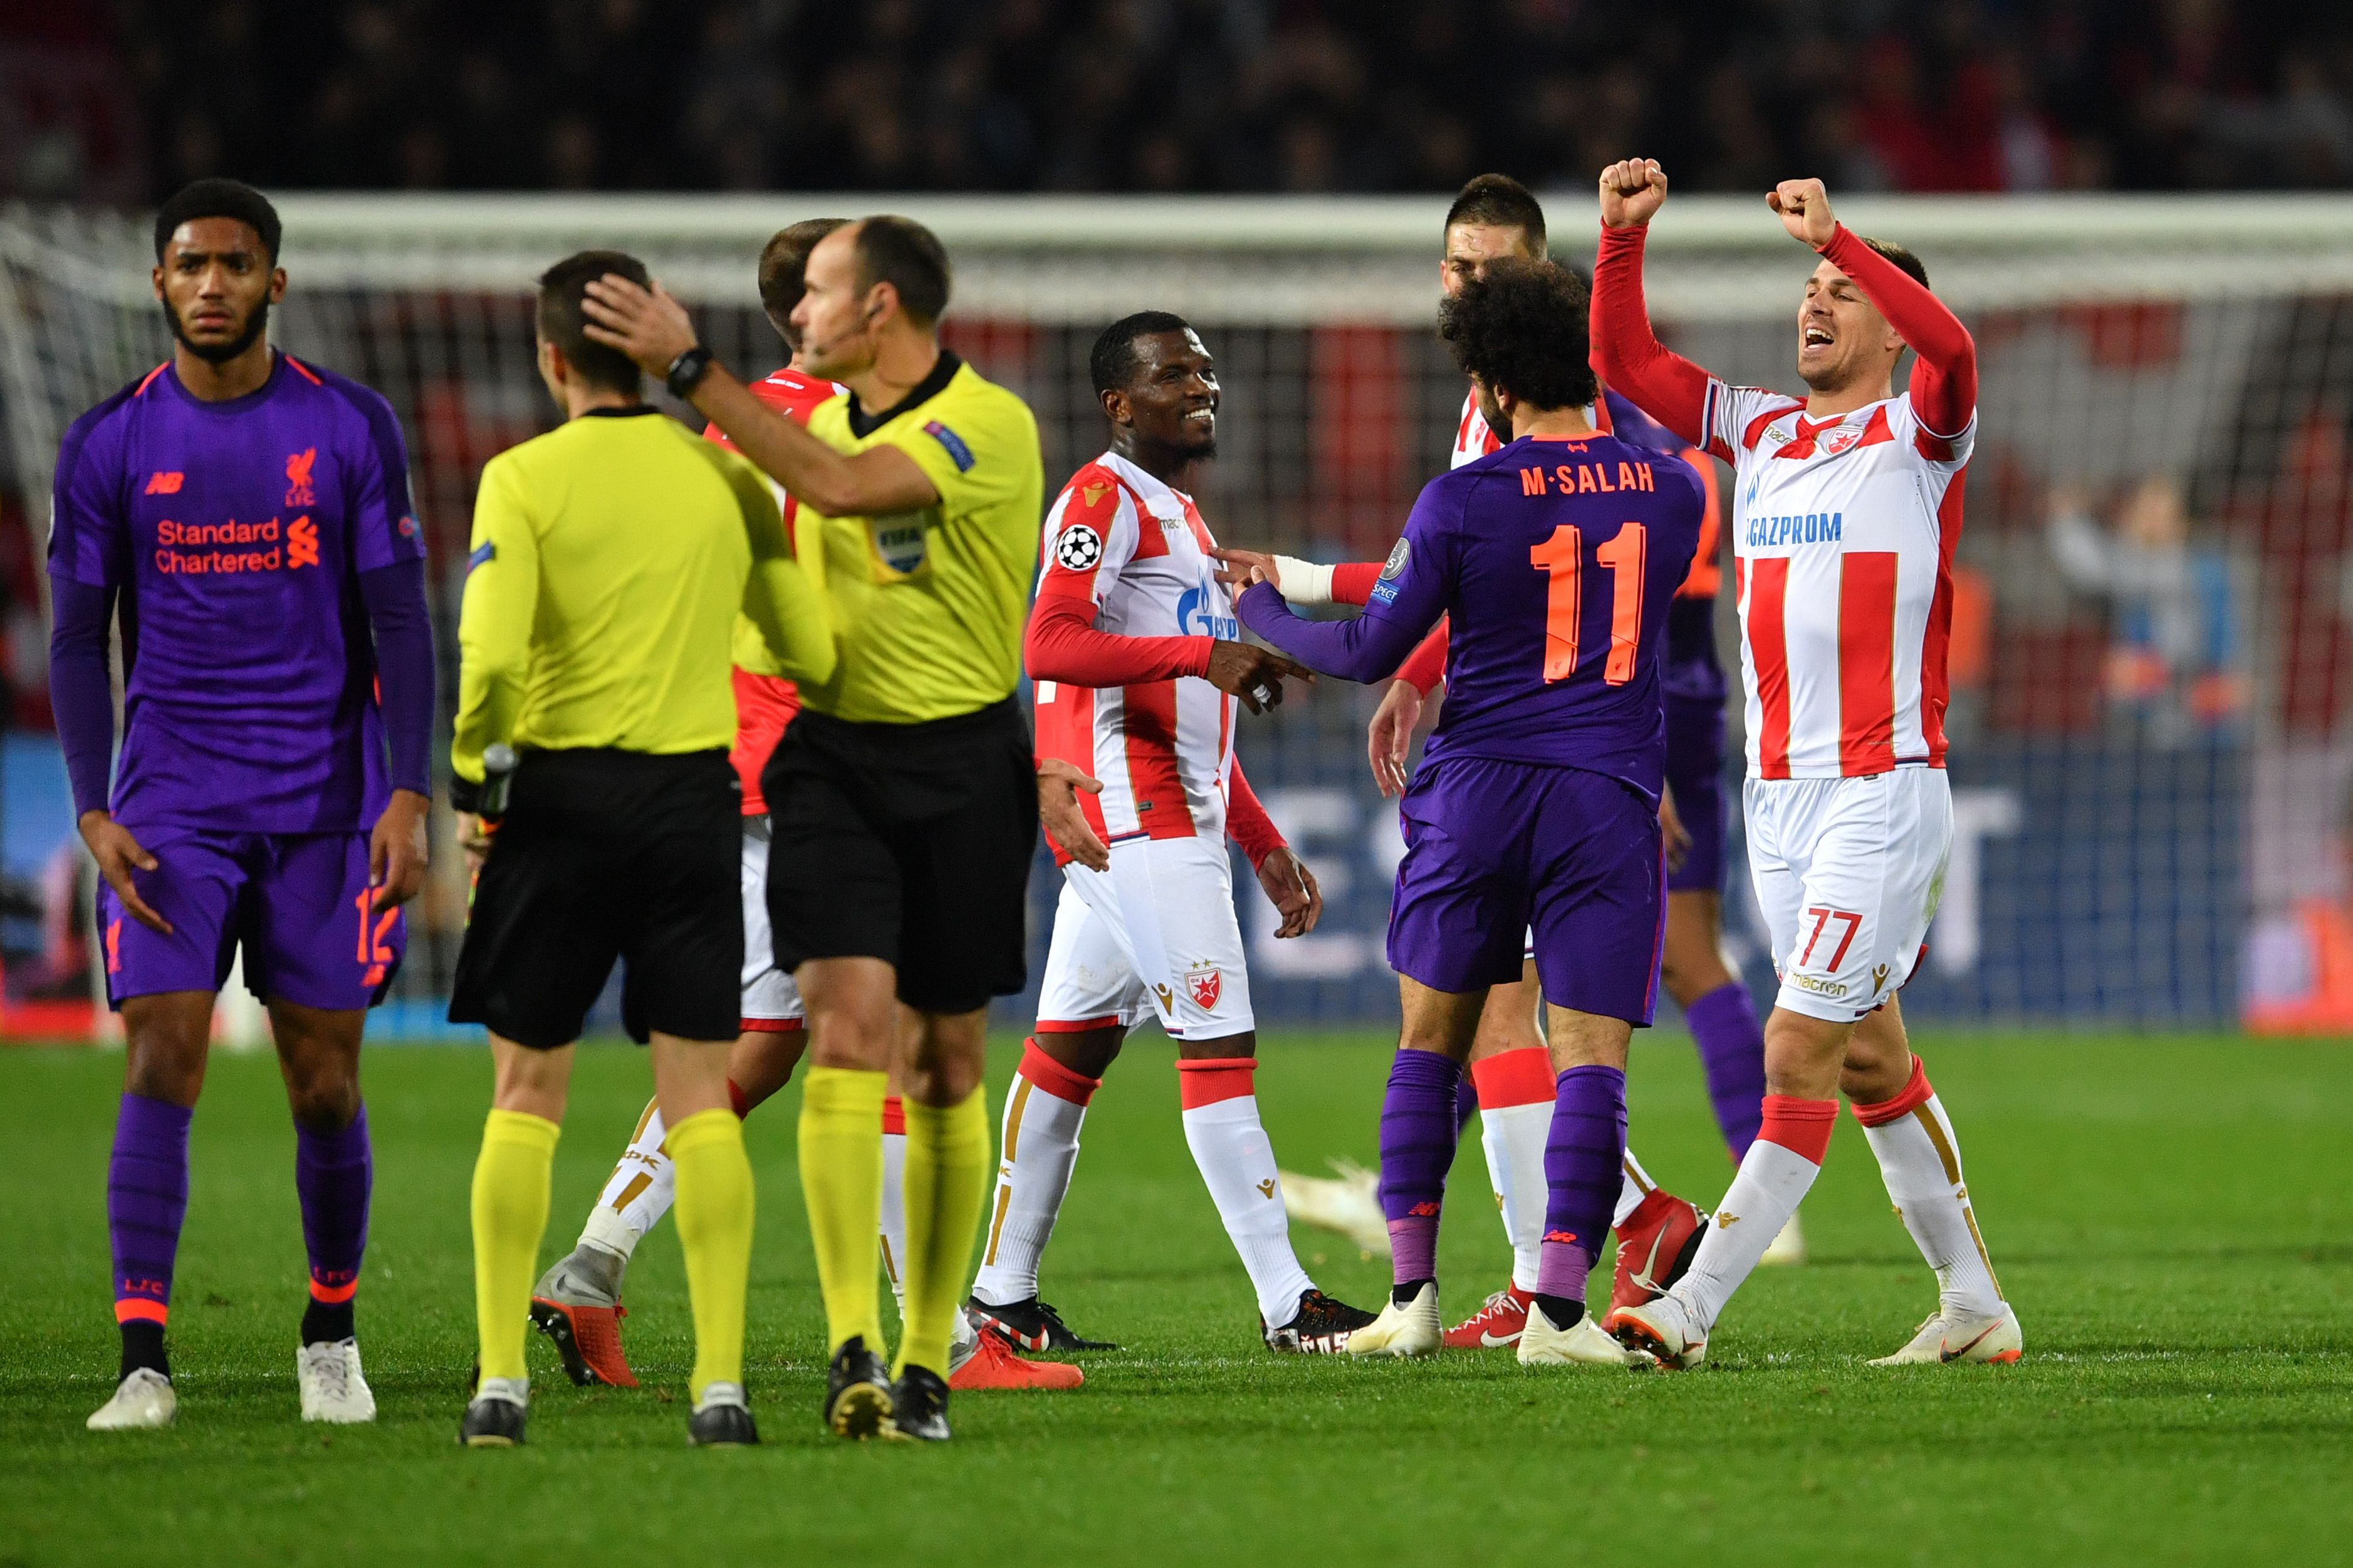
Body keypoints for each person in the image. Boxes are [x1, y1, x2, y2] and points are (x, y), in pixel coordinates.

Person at [525, 219, 1073, 1396]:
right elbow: (831, 504)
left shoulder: (744, 425)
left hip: (745, 749)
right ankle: (928, 1342)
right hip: (806, 762)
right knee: (864, 1051)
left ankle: (591, 1266)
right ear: (822, 307)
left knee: (772, 1041)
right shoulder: (786, 420)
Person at [1244, 173, 1763, 1353]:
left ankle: (1422, 1303)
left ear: (1490, 362)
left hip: (1482, 783)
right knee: (1583, 1049)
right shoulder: (1672, 484)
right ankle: (1563, 1299)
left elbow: (1385, 625)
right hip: (1603, 787)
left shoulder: (1464, 490)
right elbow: (1638, 584)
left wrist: (1270, 608)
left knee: (1446, 1032)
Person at [1591, 159, 2019, 1368]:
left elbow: (1960, 349)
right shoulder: (1763, 431)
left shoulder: (1920, 436)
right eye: (1811, 288)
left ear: (1891, 326)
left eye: (1843, 291)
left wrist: (1842, 235)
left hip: (1883, 792)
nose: (1815, 304)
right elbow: (1629, 364)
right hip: (1777, 797)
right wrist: (1622, 241)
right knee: (1870, 1050)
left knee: (1794, 1049)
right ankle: (1976, 1305)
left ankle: (1688, 1309)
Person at [53, 179, 434, 1431]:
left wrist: (410, 789)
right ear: (159, 284)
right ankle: (143, 1359)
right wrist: (93, 806)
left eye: (233, 263)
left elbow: (400, 625)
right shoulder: (110, 442)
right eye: (188, 264)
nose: (210, 283)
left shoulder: (351, 425)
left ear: (276, 282)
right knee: (163, 1049)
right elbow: (73, 639)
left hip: (327, 801)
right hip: (174, 800)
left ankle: (331, 1335)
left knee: (323, 1083)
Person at [449, 249, 835, 1448]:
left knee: (527, 1097)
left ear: (552, 358)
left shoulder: (520, 478)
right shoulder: (740, 465)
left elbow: (492, 663)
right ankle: (723, 1390)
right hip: (703, 796)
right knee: (723, 1089)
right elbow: (806, 640)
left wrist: (478, 792)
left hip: (560, 803)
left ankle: (499, 1387)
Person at [983, 310, 1379, 1356]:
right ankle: (1292, 1304)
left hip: (1172, 814)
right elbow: (1050, 640)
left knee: (1065, 1060)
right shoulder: (1101, 497)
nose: (1200, 386)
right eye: (1174, 374)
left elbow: (1199, 720)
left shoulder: (1188, 521)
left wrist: (1261, 840)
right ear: (1119, 403)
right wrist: (1201, 658)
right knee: (1218, 1053)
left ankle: (1001, 1294)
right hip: (1141, 815)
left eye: (1205, 370)